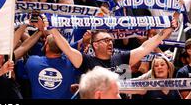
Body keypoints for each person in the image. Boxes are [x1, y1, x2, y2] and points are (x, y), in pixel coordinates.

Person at [48, 16, 177, 76]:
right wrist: (52, 29)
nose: (110, 42)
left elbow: (145, 47)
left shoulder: (121, 58)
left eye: (111, 40)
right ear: (96, 45)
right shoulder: (86, 61)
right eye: (106, 40)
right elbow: (67, 49)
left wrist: (168, 30)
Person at [25, 33, 79, 99]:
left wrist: (40, 32)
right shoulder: (70, 63)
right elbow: (71, 50)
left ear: (47, 46)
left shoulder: (32, 62)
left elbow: (24, 46)